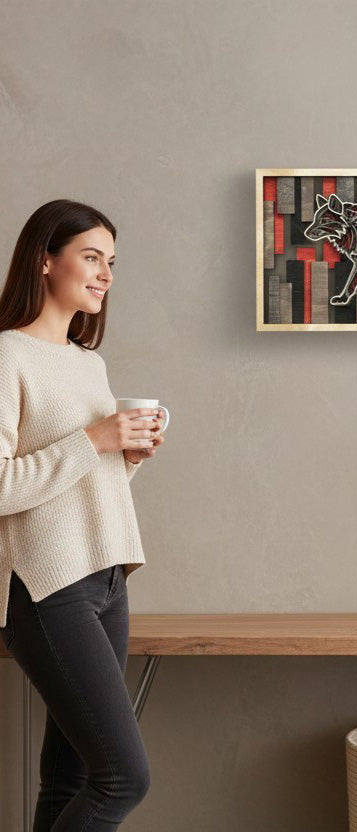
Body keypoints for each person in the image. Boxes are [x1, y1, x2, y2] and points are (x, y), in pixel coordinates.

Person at [0, 199, 165, 830]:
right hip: (46, 587)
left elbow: (79, 476)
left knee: (71, 777)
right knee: (124, 778)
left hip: (107, 577)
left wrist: (127, 454)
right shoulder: (9, 356)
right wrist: (95, 440)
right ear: (46, 260)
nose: (105, 275)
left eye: (111, 262)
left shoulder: (86, 362)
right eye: (91, 257)